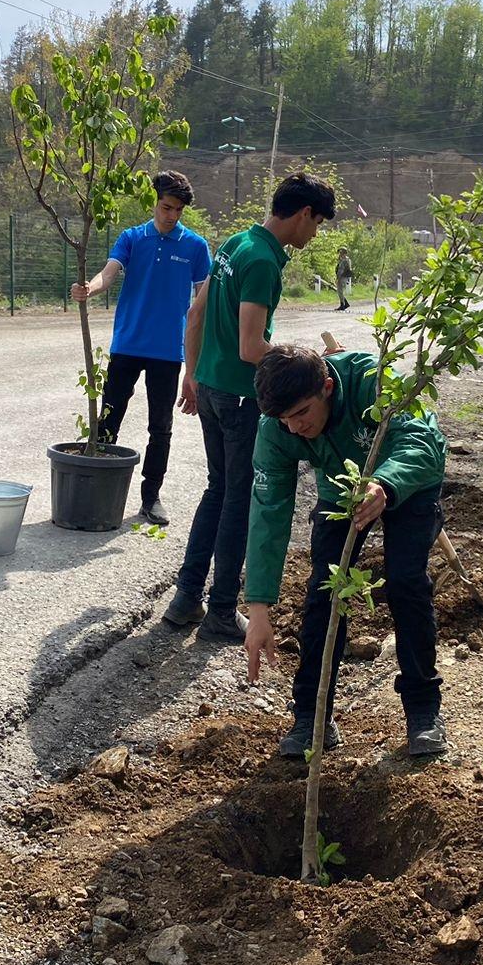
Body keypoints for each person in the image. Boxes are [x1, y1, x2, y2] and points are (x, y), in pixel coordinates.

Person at [243, 344, 449, 756]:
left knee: (406, 583)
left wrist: (385, 483)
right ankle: (312, 716)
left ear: (327, 386)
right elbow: (268, 511)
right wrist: (259, 607)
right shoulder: (277, 427)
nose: (294, 427)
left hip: (407, 480)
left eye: (302, 413)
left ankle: (423, 711)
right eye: (284, 420)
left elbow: (421, 442)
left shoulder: (374, 382)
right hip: (342, 489)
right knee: (326, 589)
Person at [164, 170, 336, 642]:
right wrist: (311, 361)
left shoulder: (236, 243)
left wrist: (193, 372)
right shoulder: (262, 261)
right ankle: (221, 609)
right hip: (240, 399)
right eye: (317, 223)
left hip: (211, 389)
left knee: (217, 491)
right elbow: (251, 346)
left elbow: (196, 314)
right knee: (239, 501)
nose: (315, 233)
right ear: (304, 214)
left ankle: (185, 598)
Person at [69, 170, 211, 524]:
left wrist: (195, 367)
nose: (172, 215)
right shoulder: (132, 238)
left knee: (160, 427)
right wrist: (90, 288)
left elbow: (203, 304)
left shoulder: (196, 247)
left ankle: (151, 497)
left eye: (178, 210)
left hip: (168, 351)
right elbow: (109, 272)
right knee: (109, 417)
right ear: (154, 202)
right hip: (127, 345)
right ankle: (98, 487)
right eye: (166, 207)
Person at [334, 246, 353, 310]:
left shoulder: (344, 260)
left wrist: (338, 278)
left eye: (341, 253)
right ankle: (345, 304)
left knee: (340, 291)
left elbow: (341, 270)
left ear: (343, 253)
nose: (340, 254)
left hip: (342, 277)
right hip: (344, 277)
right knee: (340, 291)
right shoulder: (345, 260)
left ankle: (343, 305)